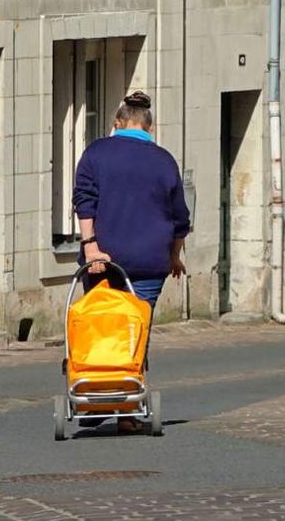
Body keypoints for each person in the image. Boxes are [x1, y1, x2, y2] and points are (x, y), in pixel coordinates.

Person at [71, 90, 191, 430]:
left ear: (117, 122)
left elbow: (84, 200)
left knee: (102, 326)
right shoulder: (164, 161)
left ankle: (97, 397)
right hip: (150, 260)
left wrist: (90, 246)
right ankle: (125, 407)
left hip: (103, 260)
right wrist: (174, 256)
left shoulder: (96, 153)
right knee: (135, 333)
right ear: (150, 127)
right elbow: (180, 218)